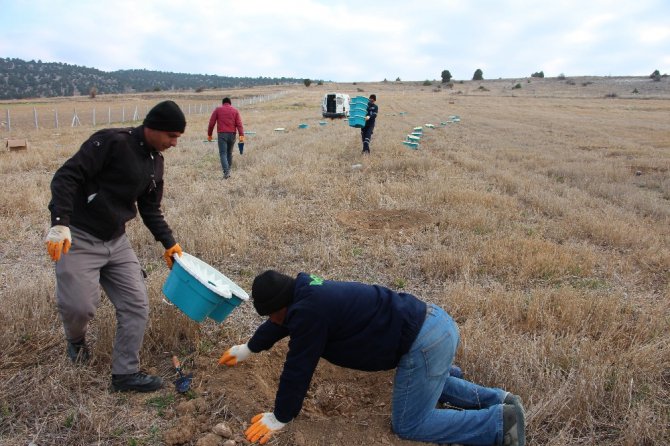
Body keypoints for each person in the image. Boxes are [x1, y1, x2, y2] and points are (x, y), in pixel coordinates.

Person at [218, 270, 526, 445]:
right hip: (435, 323)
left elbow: (298, 368)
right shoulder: (305, 293)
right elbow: (279, 323)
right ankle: (500, 399)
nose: (271, 320)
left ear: (282, 305)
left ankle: (498, 423)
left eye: (271, 313)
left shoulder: (307, 314)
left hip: (423, 343)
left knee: (409, 424)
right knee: (427, 380)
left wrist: (280, 416)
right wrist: (249, 349)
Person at [45, 100, 186, 393]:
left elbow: (150, 209)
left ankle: (125, 374)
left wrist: (170, 243)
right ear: (153, 127)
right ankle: (76, 340)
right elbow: (66, 176)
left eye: (177, 138)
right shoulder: (111, 142)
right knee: (79, 308)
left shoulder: (155, 162)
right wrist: (60, 222)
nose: (174, 143)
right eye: (171, 136)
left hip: (117, 241)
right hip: (80, 236)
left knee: (136, 304)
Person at [207, 97, 245, 179]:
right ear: (230, 103)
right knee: (229, 153)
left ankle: (226, 172)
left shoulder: (218, 110)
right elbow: (239, 124)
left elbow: (211, 123)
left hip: (222, 135)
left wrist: (209, 135)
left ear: (223, 103)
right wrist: (241, 136)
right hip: (232, 135)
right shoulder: (235, 111)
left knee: (223, 153)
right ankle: (228, 171)